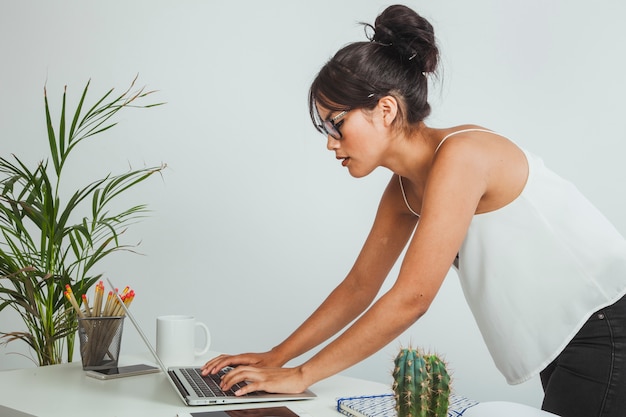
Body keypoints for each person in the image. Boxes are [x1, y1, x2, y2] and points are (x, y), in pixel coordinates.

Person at [201, 5, 626, 417]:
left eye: (336, 124)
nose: (330, 142)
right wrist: (277, 357)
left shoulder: (462, 156)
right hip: (572, 337)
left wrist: (302, 375)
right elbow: (359, 287)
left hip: (607, 326)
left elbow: (412, 298)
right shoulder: (403, 190)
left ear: (384, 110)